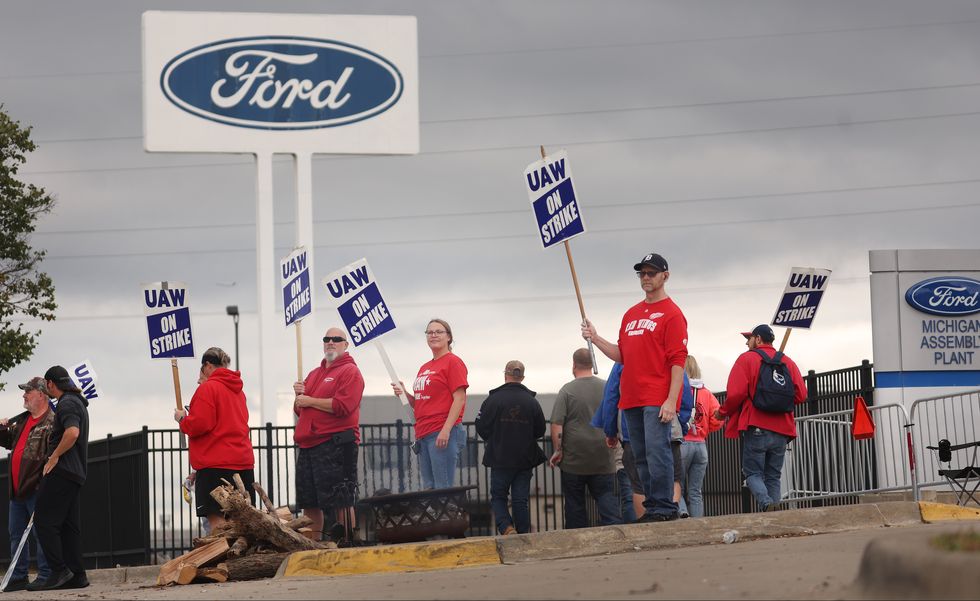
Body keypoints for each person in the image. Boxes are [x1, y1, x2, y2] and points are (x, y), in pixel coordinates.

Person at [582, 252, 688, 522]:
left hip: (656, 396)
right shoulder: (631, 314)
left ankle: (665, 507)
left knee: (657, 451)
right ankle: (653, 506)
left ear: (665, 275)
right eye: (642, 273)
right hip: (631, 398)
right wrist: (595, 337)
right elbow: (621, 354)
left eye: (651, 273)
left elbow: (678, 360)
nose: (646, 277)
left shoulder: (673, 314)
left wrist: (671, 400)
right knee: (639, 456)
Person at [716, 325, 807, 512]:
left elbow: (736, 394)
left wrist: (722, 412)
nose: (746, 343)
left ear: (757, 339)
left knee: (752, 474)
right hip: (783, 429)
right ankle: (776, 516)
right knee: (773, 476)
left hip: (757, 425)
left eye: (748, 339)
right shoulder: (787, 362)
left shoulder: (746, 359)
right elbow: (801, 395)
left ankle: (766, 504)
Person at [292, 327, 365, 544]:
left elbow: (344, 406)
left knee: (341, 498)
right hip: (309, 444)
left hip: (335, 443)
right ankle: (314, 545)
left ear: (346, 344)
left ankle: (347, 542)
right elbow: (300, 410)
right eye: (327, 339)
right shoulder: (315, 374)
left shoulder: (350, 371)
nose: (330, 342)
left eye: (336, 339)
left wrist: (310, 401)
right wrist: (298, 397)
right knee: (309, 501)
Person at [174, 347, 255, 531]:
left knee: (218, 525)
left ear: (208, 366)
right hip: (242, 464)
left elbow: (200, 424)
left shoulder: (208, 388)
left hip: (215, 467)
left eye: (201, 370)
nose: (199, 377)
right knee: (241, 524)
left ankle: (224, 559)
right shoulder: (238, 391)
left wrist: (182, 419)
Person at [29, 366, 90, 591]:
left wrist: (54, 456)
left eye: (46, 385)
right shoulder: (77, 401)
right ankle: (77, 575)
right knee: (68, 526)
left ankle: (58, 571)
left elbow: (72, 433)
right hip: (75, 473)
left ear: (51, 384)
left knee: (44, 522)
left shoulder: (67, 403)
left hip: (62, 472)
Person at [392, 318, 468, 490]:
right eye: (429, 332)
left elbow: (460, 398)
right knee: (429, 487)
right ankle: (435, 516)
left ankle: (447, 517)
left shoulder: (453, 362)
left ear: (449, 337)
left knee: (443, 488)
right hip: (424, 433)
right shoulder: (425, 367)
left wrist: (446, 430)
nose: (433, 335)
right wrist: (405, 395)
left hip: (441, 431)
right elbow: (421, 403)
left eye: (438, 331)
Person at [550, 349, 621, 529]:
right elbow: (616, 414)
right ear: (592, 363)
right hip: (603, 455)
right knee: (606, 495)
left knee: (575, 502)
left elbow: (557, 424)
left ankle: (578, 536)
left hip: (574, 458)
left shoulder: (567, 390)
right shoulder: (607, 387)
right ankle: (615, 530)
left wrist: (558, 450)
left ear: (573, 365)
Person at [475, 360, 547, 535]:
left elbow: (481, 426)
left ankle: (506, 527)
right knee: (520, 499)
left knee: (499, 496)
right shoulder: (532, 402)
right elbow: (540, 430)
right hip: (525, 458)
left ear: (505, 375)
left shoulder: (493, 399)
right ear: (522, 377)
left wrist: (494, 439)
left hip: (500, 457)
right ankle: (523, 533)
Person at [0, 377, 54, 592]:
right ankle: (18, 575)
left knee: (41, 533)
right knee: (15, 533)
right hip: (17, 488)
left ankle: (46, 574)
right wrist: (2, 429)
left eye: (28, 392)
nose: (24, 395)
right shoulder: (23, 421)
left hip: (36, 487)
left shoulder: (51, 421)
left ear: (41, 394)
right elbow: (9, 442)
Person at [679, 355, 723, 518]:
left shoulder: (676, 390)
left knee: (677, 486)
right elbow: (717, 418)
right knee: (696, 491)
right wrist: (705, 429)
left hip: (682, 444)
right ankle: (698, 523)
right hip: (701, 446)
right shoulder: (707, 394)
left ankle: (682, 514)